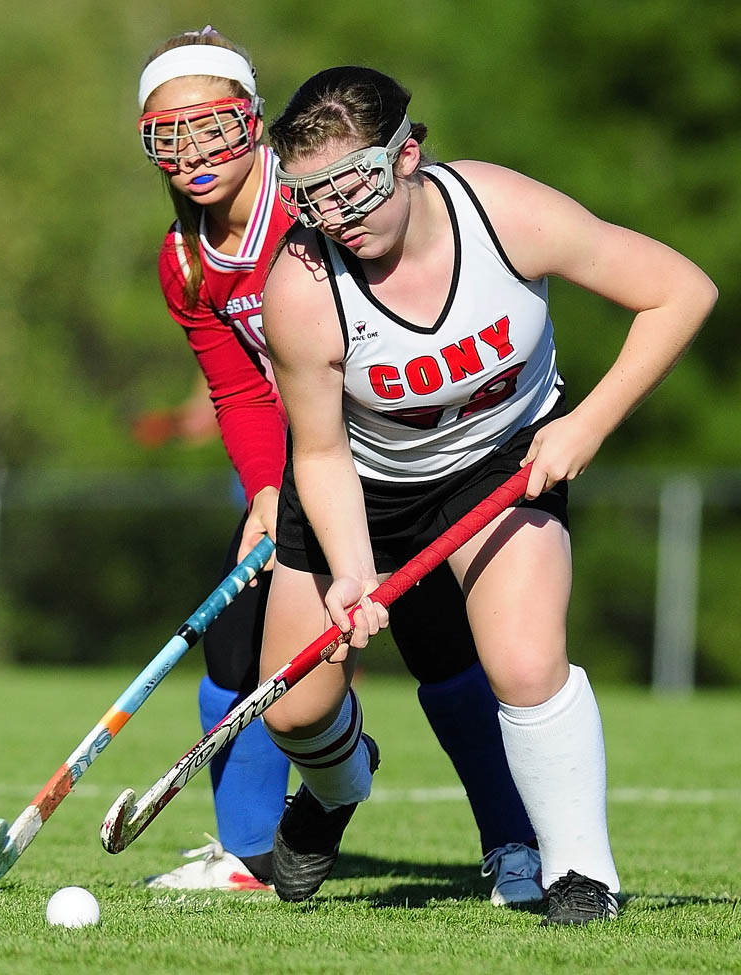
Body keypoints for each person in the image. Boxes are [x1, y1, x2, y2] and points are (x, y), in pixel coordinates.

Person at [259, 66, 718, 923]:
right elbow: (318, 453)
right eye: (313, 198)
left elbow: (680, 290)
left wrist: (586, 425)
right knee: (295, 711)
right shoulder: (302, 286)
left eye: (355, 183)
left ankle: (582, 874)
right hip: (362, 486)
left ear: (408, 156)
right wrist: (355, 573)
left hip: (498, 468)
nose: (339, 215)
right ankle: (339, 779)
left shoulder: (504, 214)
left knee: (526, 661)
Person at [135, 29, 546, 904]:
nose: (193, 155)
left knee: (443, 651)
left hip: (400, 462)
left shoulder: (319, 208)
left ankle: (514, 844)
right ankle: (254, 852)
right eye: (166, 137)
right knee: (239, 645)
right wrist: (266, 492)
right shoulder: (185, 261)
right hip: (305, 466)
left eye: (212, 128)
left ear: (252, 122)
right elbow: (241, 393)